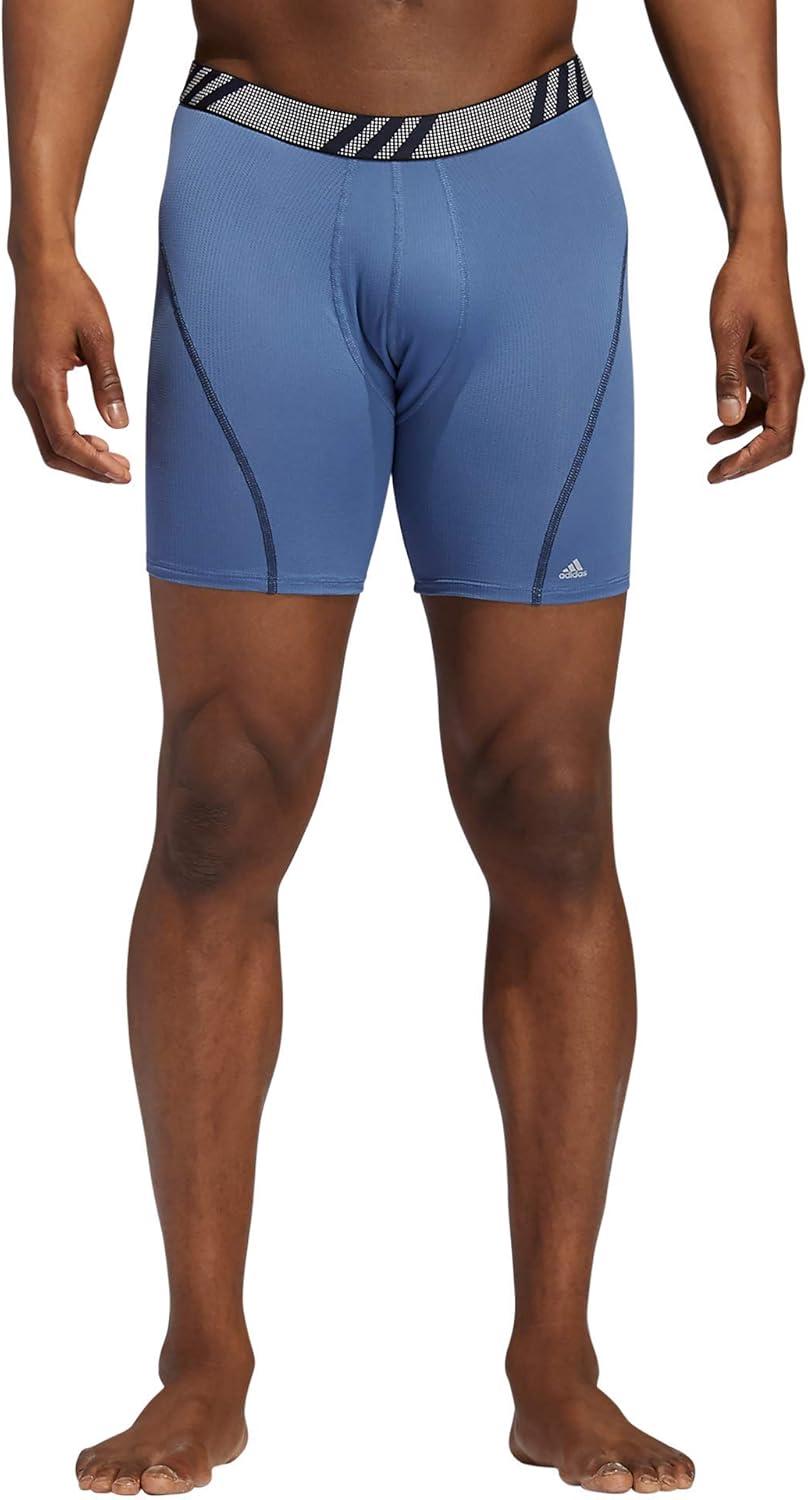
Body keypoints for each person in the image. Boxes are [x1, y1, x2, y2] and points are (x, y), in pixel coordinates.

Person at [4, 0, 802, 1493]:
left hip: (529, 192)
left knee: (553, 797)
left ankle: (556, 1361)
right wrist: (40, 232)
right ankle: (203, 1357)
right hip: (257, 191)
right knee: (221, 790)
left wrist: (757, 219)